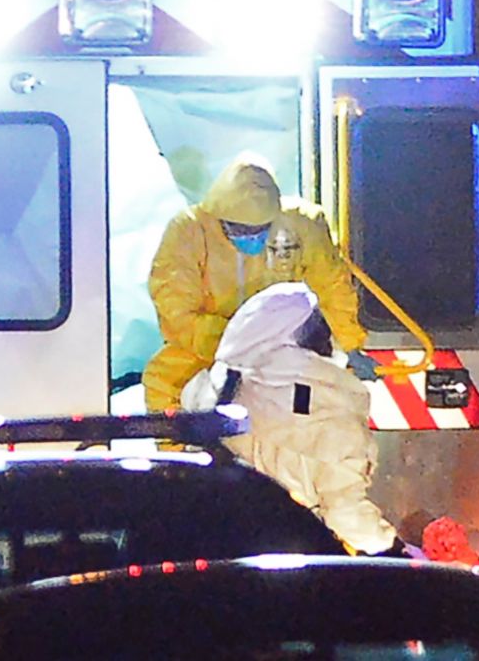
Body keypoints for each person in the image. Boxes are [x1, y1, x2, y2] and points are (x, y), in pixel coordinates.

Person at [142, 152, 379, 411]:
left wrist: (349, 344)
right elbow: (177, 311)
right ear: (219, 217)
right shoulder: (188, 233)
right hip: (205, 352)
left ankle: (288, 445)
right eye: (240, 230)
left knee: (305, 411)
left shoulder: (303, 224)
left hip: (290, 356)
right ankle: (188, 449)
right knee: (166, 390)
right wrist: (242, 347)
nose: (251, 237)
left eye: (260, 229)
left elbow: (332, 287)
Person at [181, 282, 403, 556]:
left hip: (217, 552)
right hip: (290, 560)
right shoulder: (333, 404)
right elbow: (346, 515)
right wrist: (392, 547)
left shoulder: (227, 392)